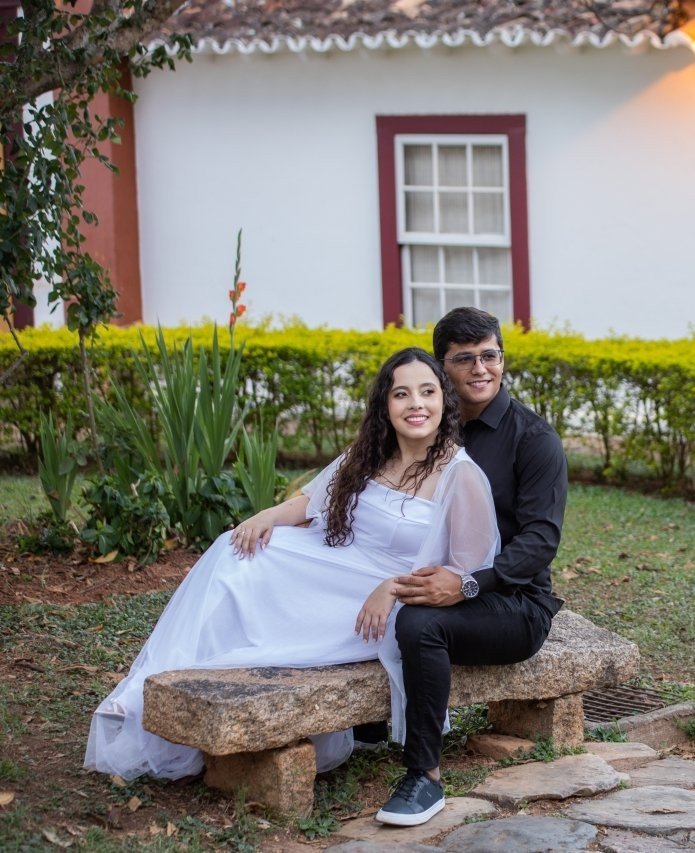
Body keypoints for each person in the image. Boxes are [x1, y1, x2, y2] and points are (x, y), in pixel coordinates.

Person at [84, 347, 500, 783]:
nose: (416, 404)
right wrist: (264, 516)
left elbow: (464, 573)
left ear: (444, 400)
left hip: (382, 601)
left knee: (257, 619)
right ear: (385, 404)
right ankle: (146, 687)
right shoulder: (371, 452)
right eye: (401, 394)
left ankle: (170, 692)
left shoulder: (461, 474)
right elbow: (311, 501)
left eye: (427, 392)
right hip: (334, 568)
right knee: (234, 549)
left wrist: (395, 587)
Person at [375, 307, 568, 826]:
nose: (481, 369)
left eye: (490, 356)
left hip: (513, 602)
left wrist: (467, 584)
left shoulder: (534, 440)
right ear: (442, 367)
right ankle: (364, 728)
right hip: (430, 578)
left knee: (420, 623)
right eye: (465, 359)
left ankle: (424, 777)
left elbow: (540, 542)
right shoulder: (427, 422)